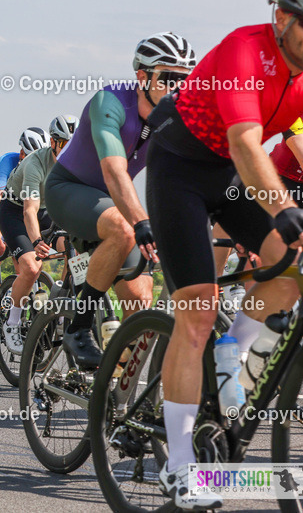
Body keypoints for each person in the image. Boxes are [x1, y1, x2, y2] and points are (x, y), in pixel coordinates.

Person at [145, 0, 303, 510]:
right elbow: (247, 144)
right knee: (196, 311)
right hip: (180, 170)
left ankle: (233, 357)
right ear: (282, 16)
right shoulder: (247, 50)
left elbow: (290, 154)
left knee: (294, 266)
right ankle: (177, 466)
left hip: (226, 175)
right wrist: (285, 207)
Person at [44, 32, 196, 369]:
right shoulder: (110, 102)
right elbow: (114, 171)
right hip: (68, 190)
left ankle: (113, 387)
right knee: (124, 229)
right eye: (169, 78)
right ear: (142, 77)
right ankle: (79, 328)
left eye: (185, 80)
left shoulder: (175, 117)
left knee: (140, 301)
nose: (178, 88)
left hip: (115, 205)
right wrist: (141, 222)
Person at [0, 117, 73, 354]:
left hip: (46, 210)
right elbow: (29, 209)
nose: (70, 151)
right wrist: (38, 241)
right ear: (53, 142)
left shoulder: (78, 164)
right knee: (30, 268)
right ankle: (12, 323)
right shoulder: (35, 163)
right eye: (64, 145)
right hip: (15, 211)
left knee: (76, 250)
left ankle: (60, 307)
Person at [0, 127, 52, 316]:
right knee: (1, 245)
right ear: (22, 152)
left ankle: (18, 306)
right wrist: (7, 234)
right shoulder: (6, 161)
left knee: (26, 262)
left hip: (19, 209)